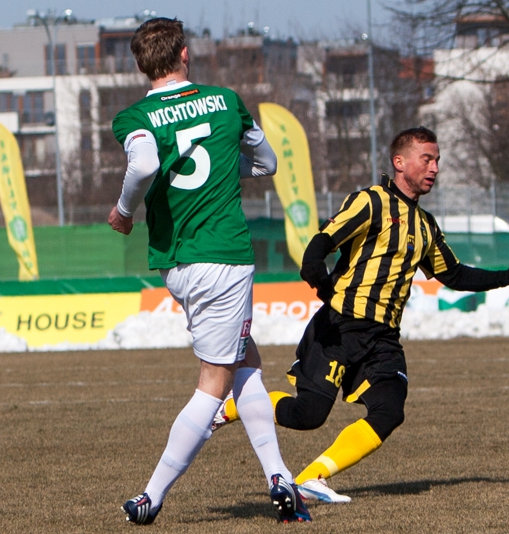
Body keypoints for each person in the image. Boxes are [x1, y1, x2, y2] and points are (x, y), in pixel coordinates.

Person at [212, 126, 509, 503]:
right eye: (427, 159)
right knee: (308, 415)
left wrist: (507, 276)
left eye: (437, 160)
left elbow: (453, 274)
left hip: (383, 338)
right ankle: (236, 404)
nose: (435, 168)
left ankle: (311, 478)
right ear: (399, 162)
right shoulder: (371, 201)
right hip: (340, 327)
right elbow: (324, 240)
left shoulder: (426, 225)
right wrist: (315, 269)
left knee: (389, 411)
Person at [107, 17, 309, 524]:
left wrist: (127, 212)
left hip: (176, 262)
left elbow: (145, 163)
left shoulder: (134, 117)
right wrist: (126, 209)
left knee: (245, 359)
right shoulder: (225, 100)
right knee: (214, 382)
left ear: (140, 64)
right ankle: (150, 496)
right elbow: (265, 163)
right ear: (185, 54)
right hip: (223, 256)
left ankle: (279, 477)